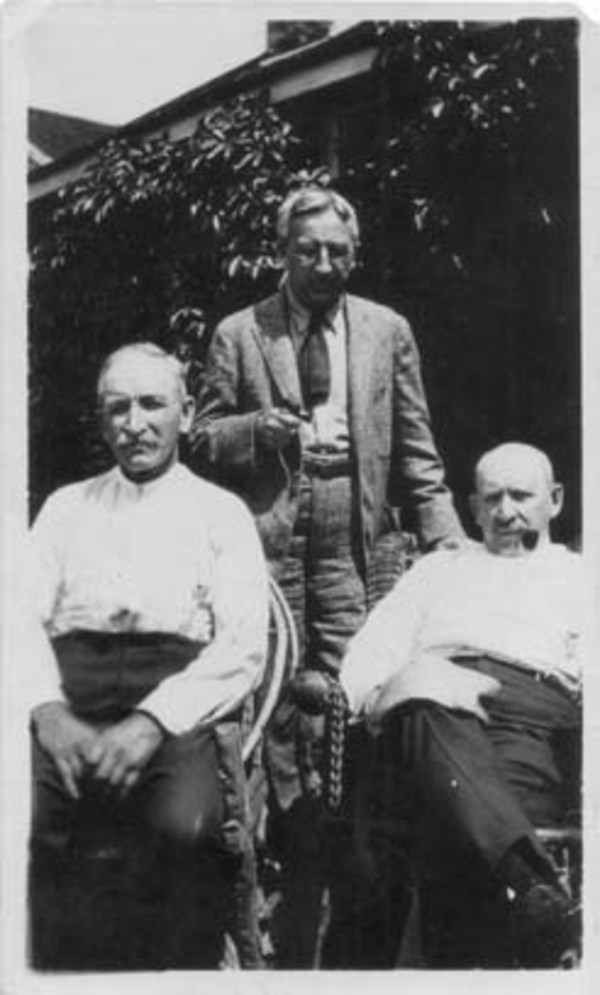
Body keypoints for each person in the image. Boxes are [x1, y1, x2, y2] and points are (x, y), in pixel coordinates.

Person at [190, 185, 464, 966]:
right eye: (308, 250)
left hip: (357, 531)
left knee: (355, 694)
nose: (323, 264)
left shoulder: (387, 331)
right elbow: (203, 438)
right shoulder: (241, 332)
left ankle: (357, 878)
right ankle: (277, 885)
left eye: (337, 251)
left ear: (355, 254)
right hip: (270, 535)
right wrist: (256, 429)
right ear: (283, 252)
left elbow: (416, 448)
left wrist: (451, 547)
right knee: (273, 698)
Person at [28, 342, 269, 969]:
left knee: (182, 831)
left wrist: (151, 722)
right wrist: (47, 712)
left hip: (175, 696)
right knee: (30, 824)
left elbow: (243, 645)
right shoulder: (64, 508)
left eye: (152, 404)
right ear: (101, 419)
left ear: (187, 414)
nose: (134, 423)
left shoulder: (221, 514)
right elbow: (15, 621)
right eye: (117, 408)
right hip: (66, 690)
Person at [339, 442, 584, 967]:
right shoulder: (436, 571)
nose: (505, 511)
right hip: (419, 713)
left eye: (521, 496)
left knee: (447, 822)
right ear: (472, 509)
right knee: (425, 706)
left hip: (525, 718)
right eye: (491, 498)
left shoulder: (581, 578)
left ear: (555, 500)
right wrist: (396, 692)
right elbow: (368, 655)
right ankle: (531, 885)